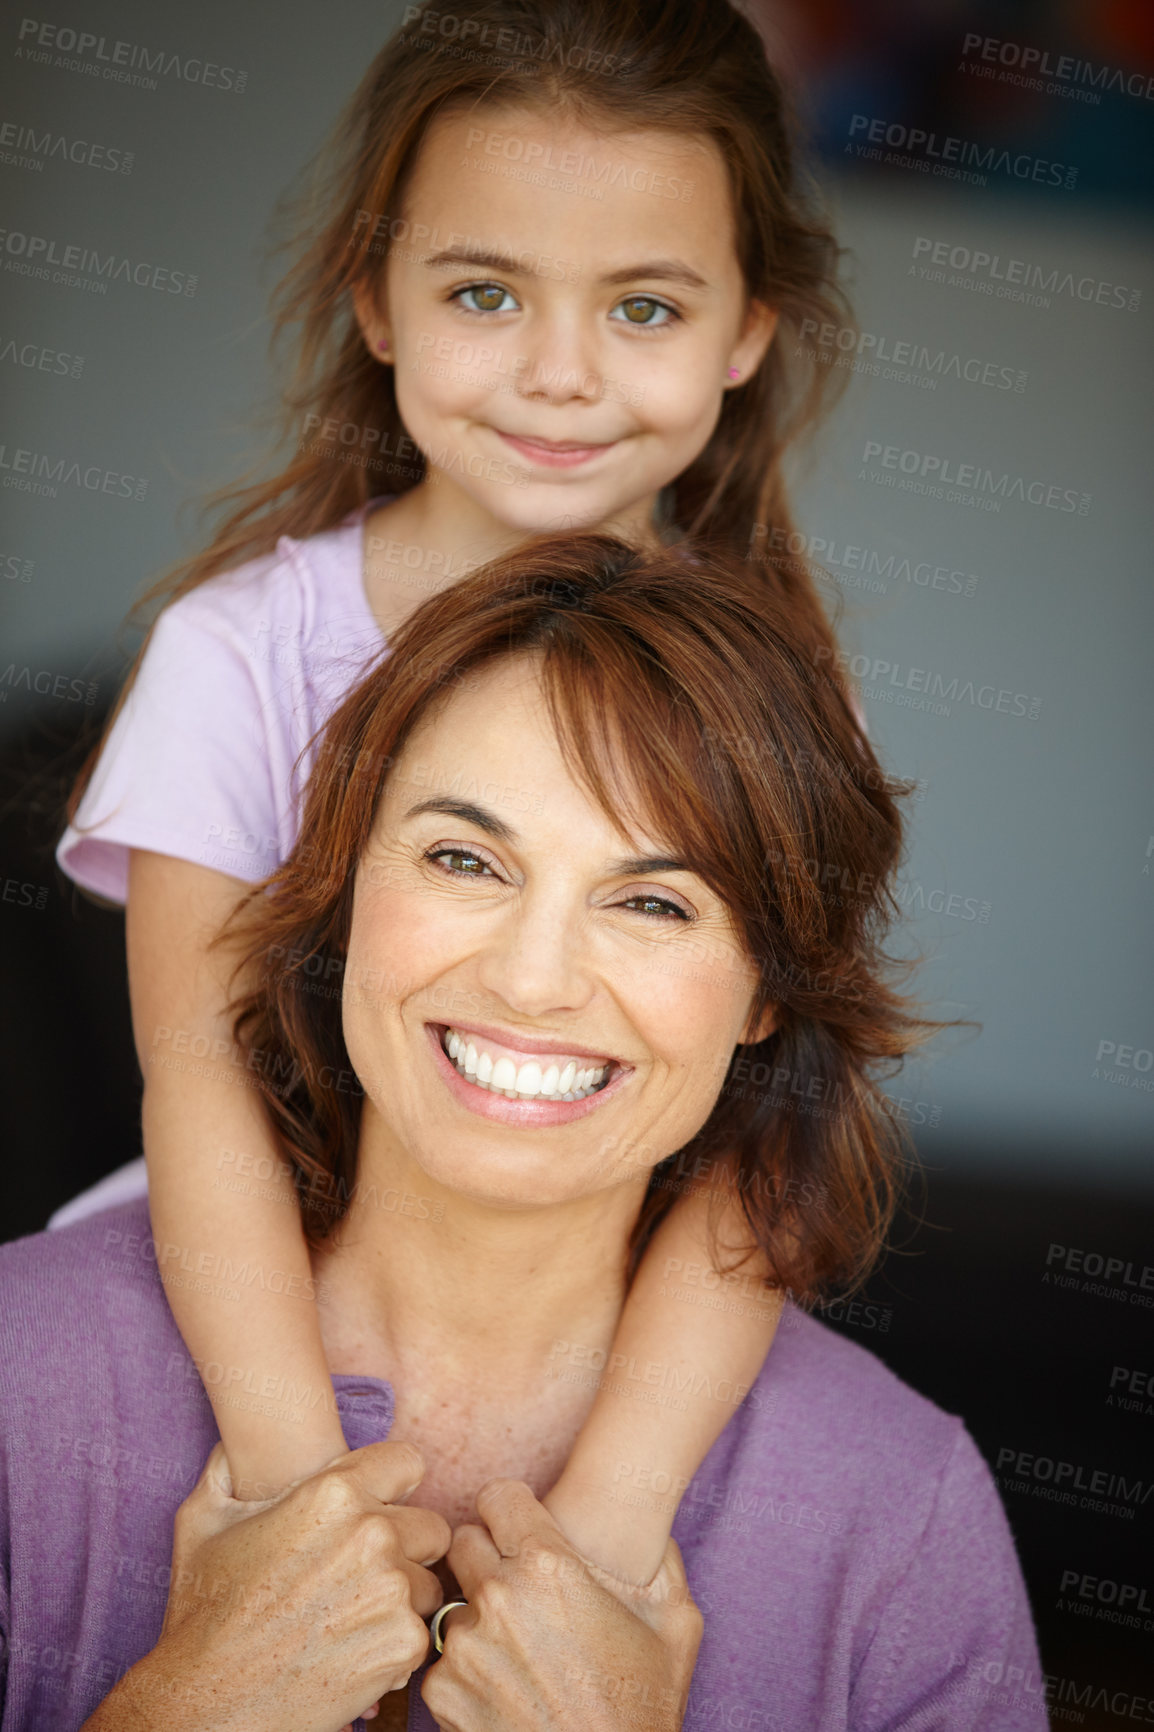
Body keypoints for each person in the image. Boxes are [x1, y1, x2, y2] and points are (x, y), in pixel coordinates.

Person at [53, 0, 860, 1594]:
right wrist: (299, 1503)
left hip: (587, 1315)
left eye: (644, 306)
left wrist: (613, 1533)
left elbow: (768, 1142)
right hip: (254, 1326)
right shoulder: (236, 653)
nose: (558, 376)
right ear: (375, 297)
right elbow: (203, 1093)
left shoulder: (774, 690)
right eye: (484, 291)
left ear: (747, 332)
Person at [5, 538, 1042, 1731]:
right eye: (463, 858)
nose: (532, 979)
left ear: (766, 993)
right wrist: (185, 1709)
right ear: (343, 901)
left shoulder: (899, 1516)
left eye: (654, 900)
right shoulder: (18, 1378)